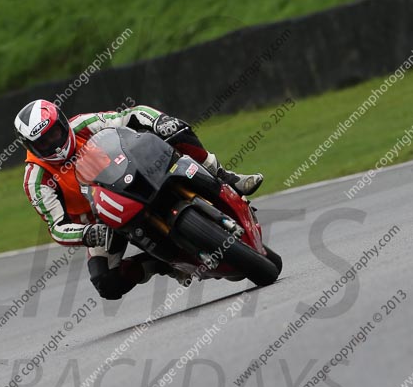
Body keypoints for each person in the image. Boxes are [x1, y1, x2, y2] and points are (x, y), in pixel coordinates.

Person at [15, 99, 263, 300]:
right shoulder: (36, 179)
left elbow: (131, 115)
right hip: (103, 223)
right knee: (107, 283)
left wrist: (159, 121)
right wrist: (88, 233)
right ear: (30, 146)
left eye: (54, 134)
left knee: (176, 131)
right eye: (43, 143)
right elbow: (57, 227)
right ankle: (160, 264)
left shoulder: (83, 124)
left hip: (135, 174)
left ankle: (226, 177)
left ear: (62, 122)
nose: (53, 144)